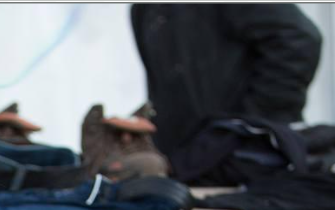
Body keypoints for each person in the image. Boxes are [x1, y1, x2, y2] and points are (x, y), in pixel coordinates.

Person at [131, 4, 322, 160]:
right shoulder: (143, 9)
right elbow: (169, 88)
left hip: (251, 161)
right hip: (189, 162)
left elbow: (299, 41)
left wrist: (247, 127)